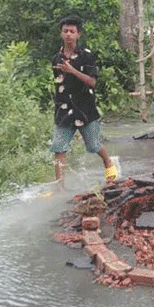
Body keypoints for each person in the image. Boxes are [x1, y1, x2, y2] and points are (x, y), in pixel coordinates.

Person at [50, 15, 118, 187]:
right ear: (61, 34)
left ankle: (108, 162)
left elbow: (92, 82)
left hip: (85, 109)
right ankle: (59, 186)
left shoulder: (86, 56)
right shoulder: (56, 59)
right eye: (65, 31)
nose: (68, 35)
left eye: (72, 31)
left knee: (94, 145)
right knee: (59, 147)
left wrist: (72, 70)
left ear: (78, 34)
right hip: (64, 110)